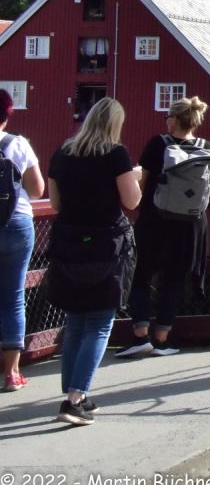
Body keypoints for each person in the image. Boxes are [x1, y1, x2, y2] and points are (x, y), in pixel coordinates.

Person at [45, 98, 140, 426]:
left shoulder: (62, 153)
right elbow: (131, 201)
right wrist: (136, 176)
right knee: (100, 323)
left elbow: (56, 204)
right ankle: (75, 399)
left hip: (68, 246)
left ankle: (75, 394)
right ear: (115, 124)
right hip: (105, 246)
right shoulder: (116, 155)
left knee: (75, 323)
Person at [118, 96, 210, 358]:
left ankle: (140, 334)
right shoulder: (207, 147)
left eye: (167, 116)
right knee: (174, 279)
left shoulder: (158, 144)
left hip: (155, 220)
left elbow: (144, 182)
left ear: (174, 119)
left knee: (141, 274)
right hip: (190, 224)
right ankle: (162, 340)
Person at [1, 88, 46, 392]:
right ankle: (12, 373)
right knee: (14, 296)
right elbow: (37, 190)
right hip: (15, 222)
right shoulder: (18, 144)